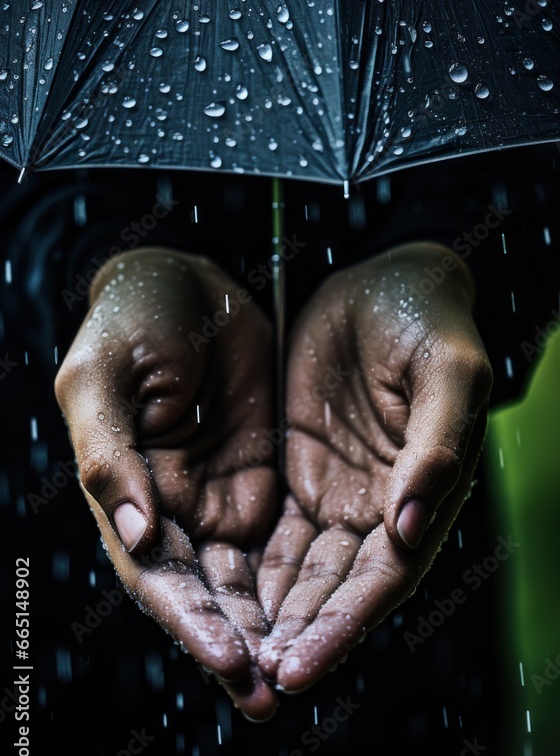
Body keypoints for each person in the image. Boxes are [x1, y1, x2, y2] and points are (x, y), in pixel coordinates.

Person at [47, 141, 559, 722]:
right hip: (127, 487)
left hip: (387, 466)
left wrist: (449, 255)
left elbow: (531, 152)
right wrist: (111, 260)